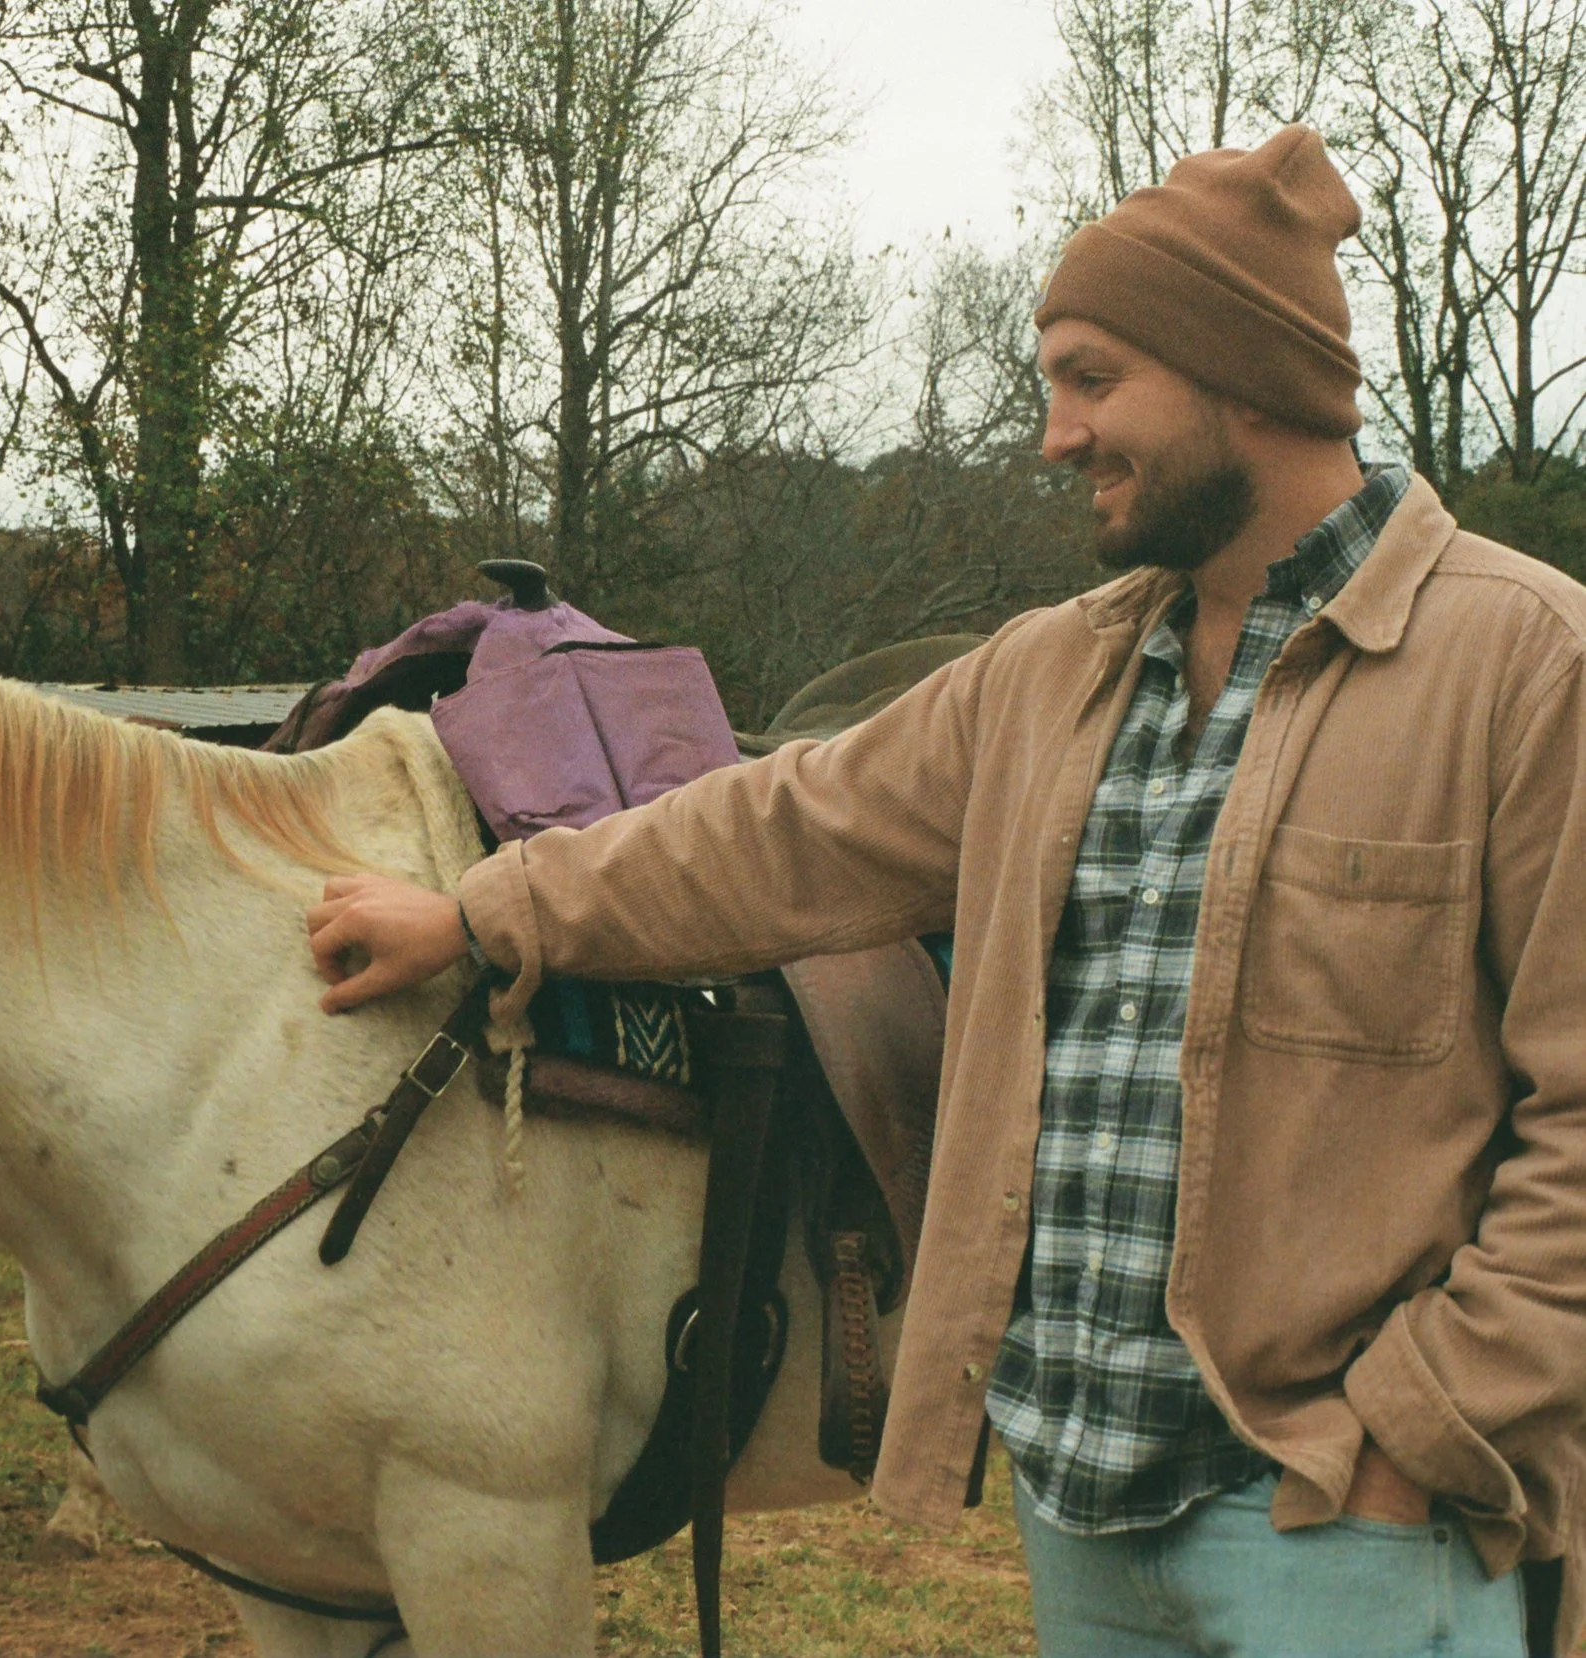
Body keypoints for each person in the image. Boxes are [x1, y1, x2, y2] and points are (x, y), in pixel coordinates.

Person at [304, 125, 1586, 1658]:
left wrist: (1418, 1426)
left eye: (1093, 377)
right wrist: (478, 914)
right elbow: (773, 833)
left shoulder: (1529, 667)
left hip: (1345, 1532)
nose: (1055, 435)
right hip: (1085, 1510)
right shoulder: (1052, 674)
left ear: (1244, 372)